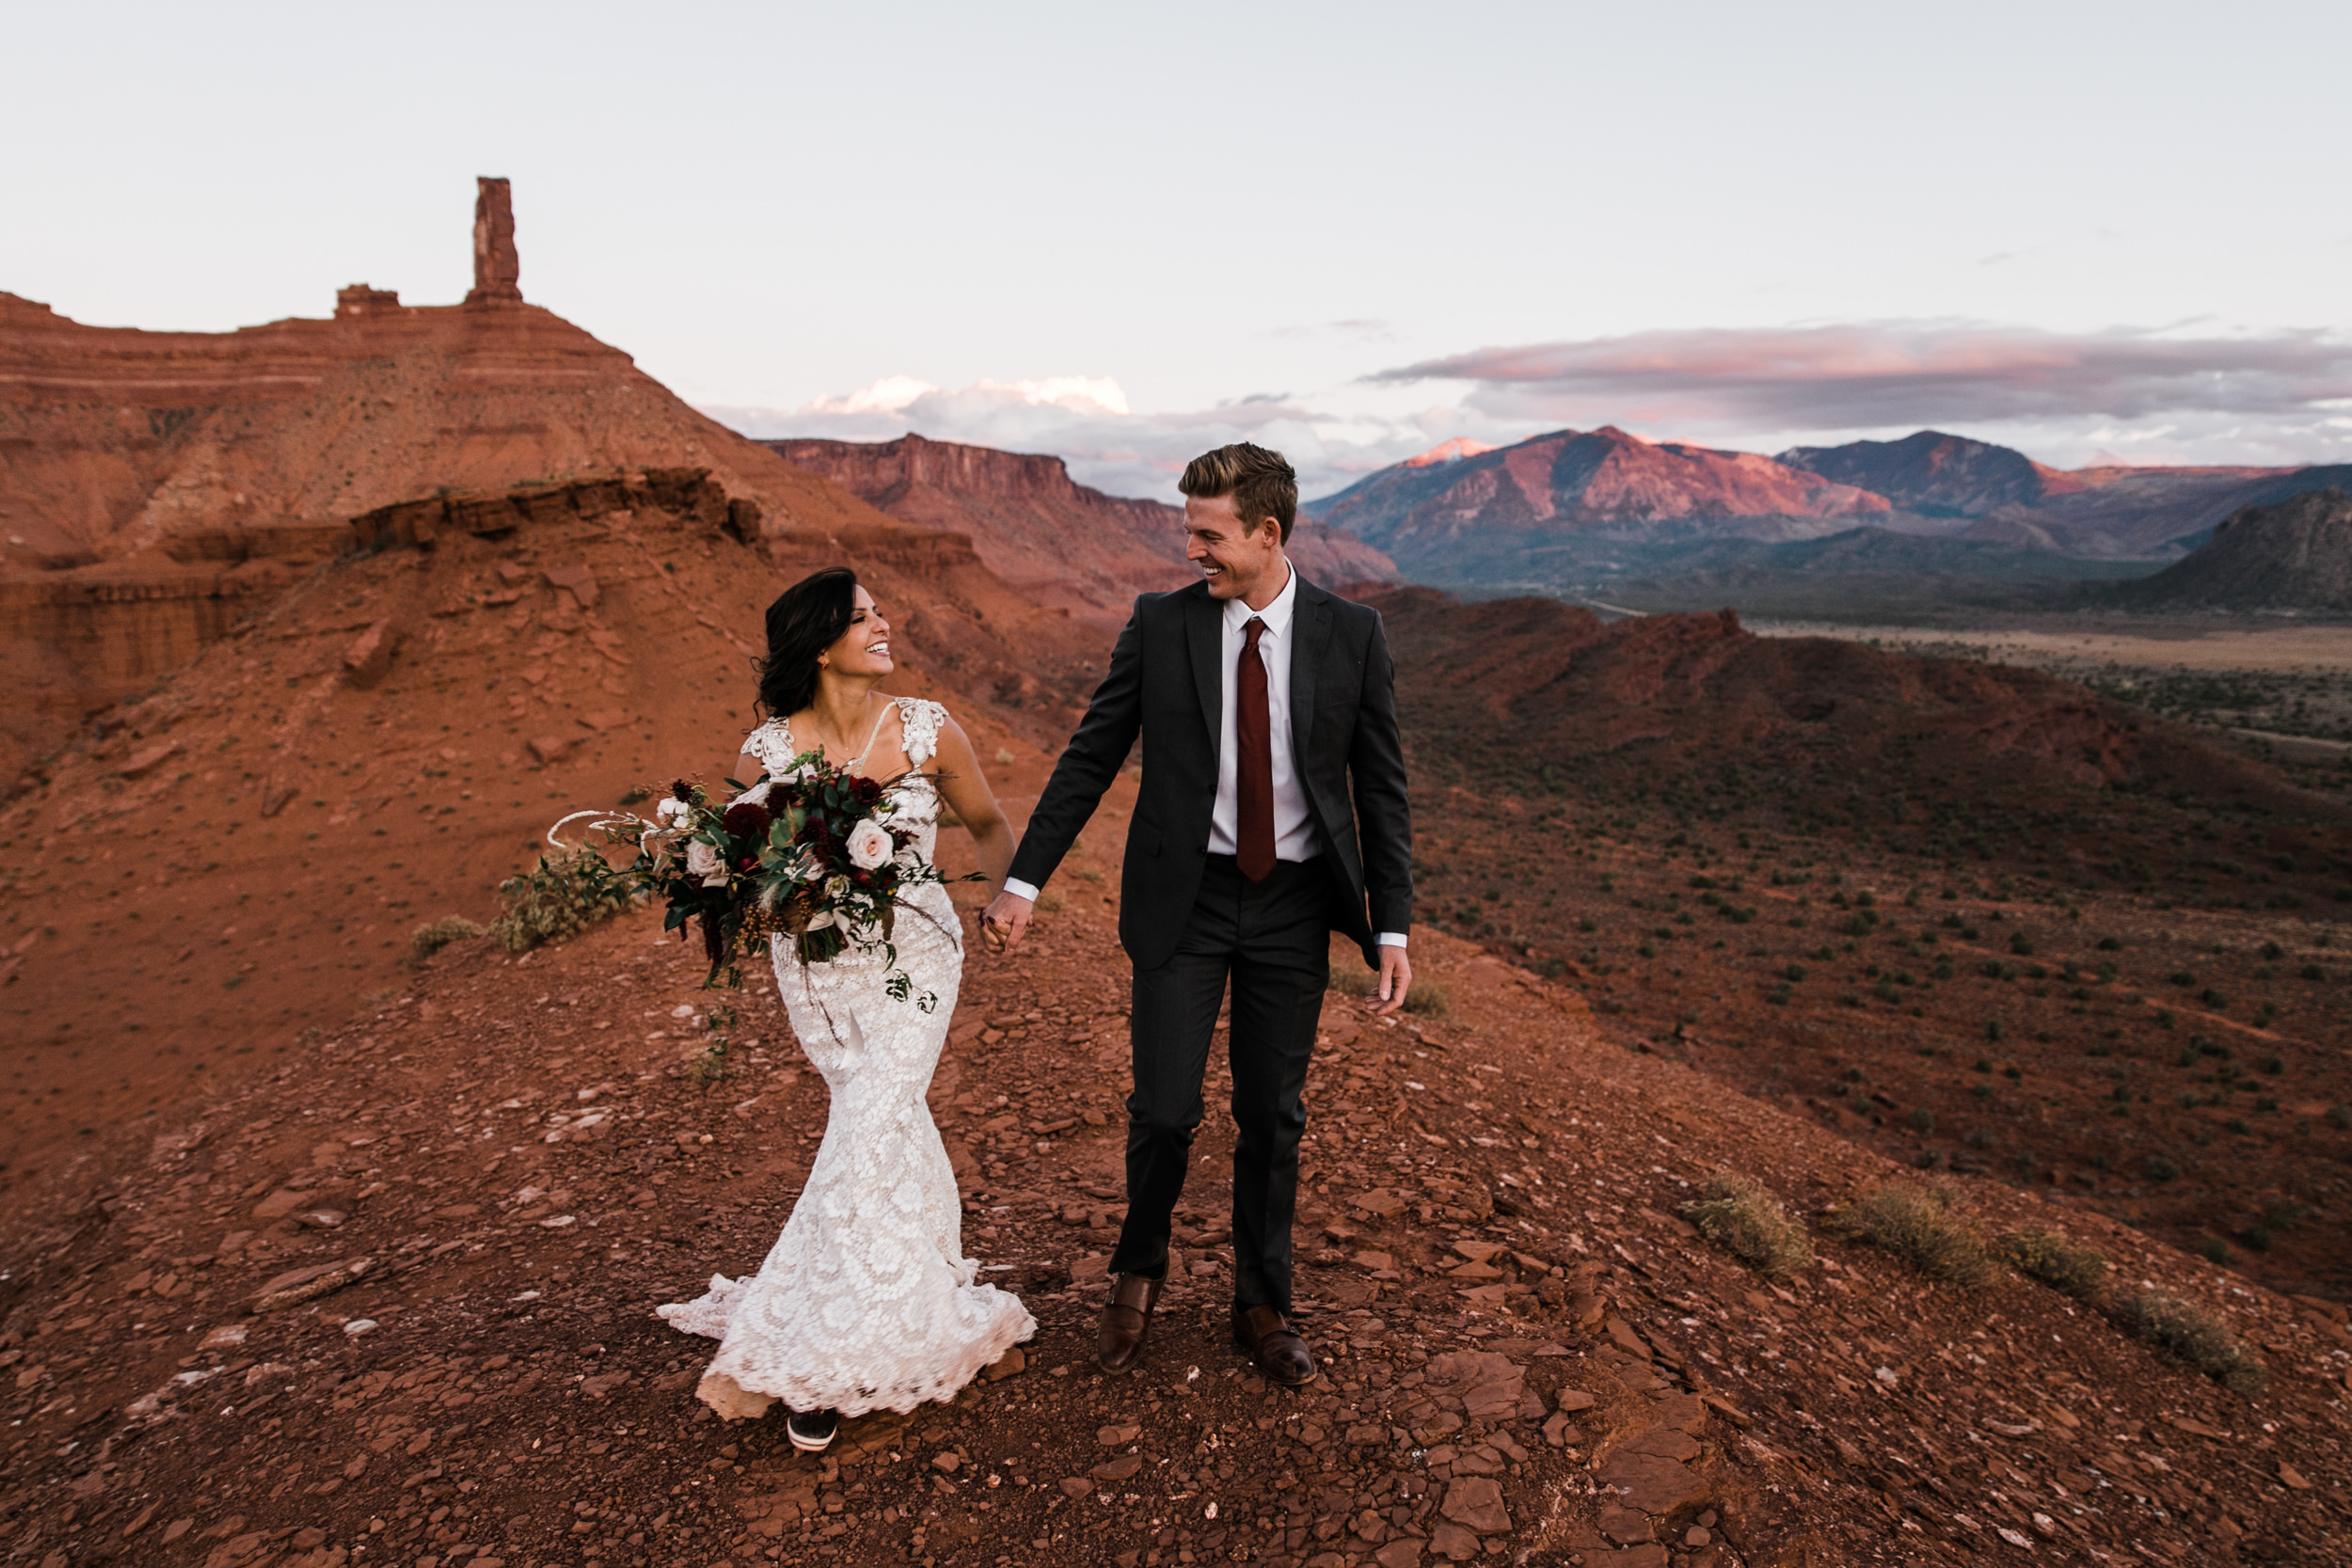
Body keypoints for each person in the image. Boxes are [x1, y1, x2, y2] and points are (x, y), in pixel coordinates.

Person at [982, 443, 1413, 1388]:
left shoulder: (1352, 633)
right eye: (1187, 531)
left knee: (1273, 1113)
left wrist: (1391, 926)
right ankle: (1138, 1266)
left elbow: (1380, 790)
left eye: (1208, 534)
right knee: (1165, 1109)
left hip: (1295, 906)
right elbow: (1089, 755)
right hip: (1186, 898)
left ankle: (1261, 1299)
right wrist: (1024, 879)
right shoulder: (1161, 625)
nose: (1191, 551)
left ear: (1266, 532)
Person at [658, 567, 1034, 1450]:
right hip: (820, 969)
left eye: (878, 611)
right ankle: (918, 1285)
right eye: (864, 616)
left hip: (919, 956)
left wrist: (1013, 893)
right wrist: (764, 895)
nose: (885, 622)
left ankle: (812, 1350)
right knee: (878, 1118)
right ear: (822, 644)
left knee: (873, 1114)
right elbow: (746, 873)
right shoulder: (768, 752)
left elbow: (984, 823)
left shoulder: (929, 728)